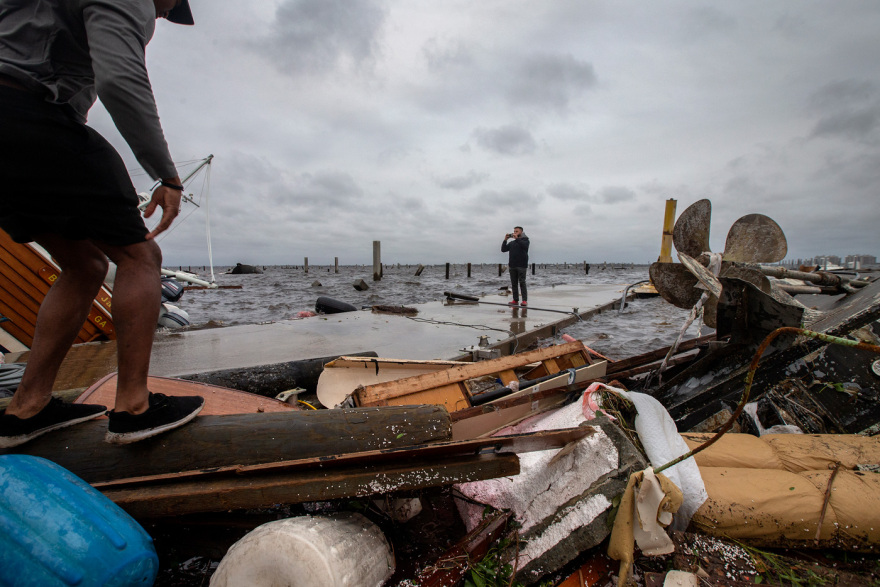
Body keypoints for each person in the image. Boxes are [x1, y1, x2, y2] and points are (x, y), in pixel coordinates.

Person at [0, 0, 205, 448]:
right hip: (28, 110)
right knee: (140, 255)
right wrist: (166, 174)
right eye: (170, 5)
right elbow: (119, 78)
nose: (165, 12)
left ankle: (26, 407)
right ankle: (134, 407)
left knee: (85, 263)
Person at [501, 226, 530, 306]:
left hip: (522, 265)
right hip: (512, 265)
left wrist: (517, 239)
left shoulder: (526, 241)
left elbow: (525, 246)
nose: (514, 233)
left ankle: (524, 300)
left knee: (522, 282)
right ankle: (515, 299)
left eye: (516, 231)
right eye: (514, 231)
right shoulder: (512, 243)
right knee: (514, 283)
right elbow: (503, 249)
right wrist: (505, 240)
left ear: (521, 232)